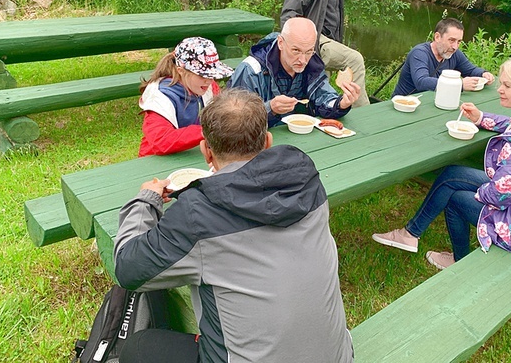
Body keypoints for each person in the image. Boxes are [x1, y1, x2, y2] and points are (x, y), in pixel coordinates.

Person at [114, 88, 355, 363]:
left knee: (139, 348)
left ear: (206, 150)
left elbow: (127, 269)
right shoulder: (308, 183)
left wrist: (145, 201)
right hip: (338, 356)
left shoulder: (197, 213)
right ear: (267, 142)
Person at [373, 55, 511, 270]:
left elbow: (499, 195)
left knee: (455, 199)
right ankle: (410, 234)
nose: (499, 89)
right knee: (453, 174)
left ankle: (457, 261)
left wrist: (479, 192)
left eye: (507, 85)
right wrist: (480, 118)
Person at [228, 17, 360, 127]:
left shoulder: (311, 64)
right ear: (280, 43)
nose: (303, 60)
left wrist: (341, 104)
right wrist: (270, 108)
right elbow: (234, 120)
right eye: (296, 51)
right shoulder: (251, 70)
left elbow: (323, 96)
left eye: (308, 51)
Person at [137, 37, 234, 157]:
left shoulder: (206, 85)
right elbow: (160, 141)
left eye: (212, 74)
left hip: (190, 152)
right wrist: (206, 131)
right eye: (203, 74)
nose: (209, 80)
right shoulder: (160, 96)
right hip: (156, 159)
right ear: (181, 71)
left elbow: (221, 112)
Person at [392, 18, 495, 97]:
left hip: (430, 103)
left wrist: (483, 73)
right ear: (437, 37)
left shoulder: (454, 53)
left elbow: (471, 70)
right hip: (403, 104)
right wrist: (459, 85)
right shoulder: (419, 53)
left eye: (459, 42)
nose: (455, 47)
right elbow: (421, 82)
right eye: (451, 40)